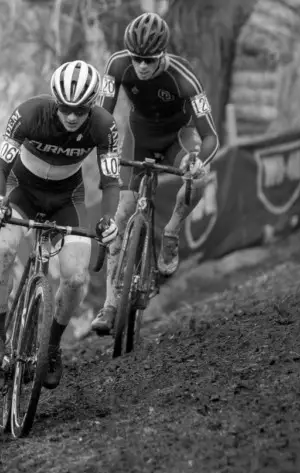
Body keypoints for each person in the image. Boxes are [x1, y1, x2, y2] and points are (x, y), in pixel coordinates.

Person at [0, 60, 121, 389]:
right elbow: (0, 168)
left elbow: (110, 181)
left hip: (66, 199)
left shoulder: (104, 126)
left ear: (92, 106)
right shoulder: (29, 114)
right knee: (3, 251)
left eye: (80, 110)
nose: (72, 117)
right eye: (65, 109)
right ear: (55, 102)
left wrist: (108, 220)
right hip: (22, 192)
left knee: (75, 277)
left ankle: (52, 347)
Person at [90, 12, 220, 334]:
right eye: (137, 59)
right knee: (121, 216)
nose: (142, 66)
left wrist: (196, 161)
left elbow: (211, 138)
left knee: (201, 176)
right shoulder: (117, 64)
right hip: (140, 137)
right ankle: (109, 305)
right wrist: (105, 156)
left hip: (179, 137)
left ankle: (172, 232)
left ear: (162, 53)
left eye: (148, 60)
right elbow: (102, 117)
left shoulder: (185, 77)